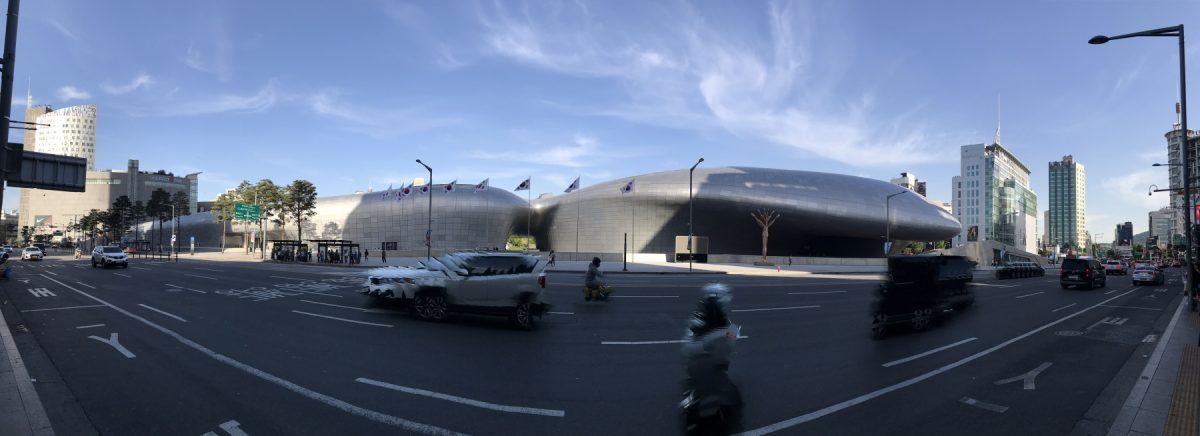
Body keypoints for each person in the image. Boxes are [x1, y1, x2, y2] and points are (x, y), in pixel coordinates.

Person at [681, 283, 741, 430]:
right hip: (705, 357)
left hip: (697, 356)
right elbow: (729, 337)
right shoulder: (715, 314)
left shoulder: (702, 310)